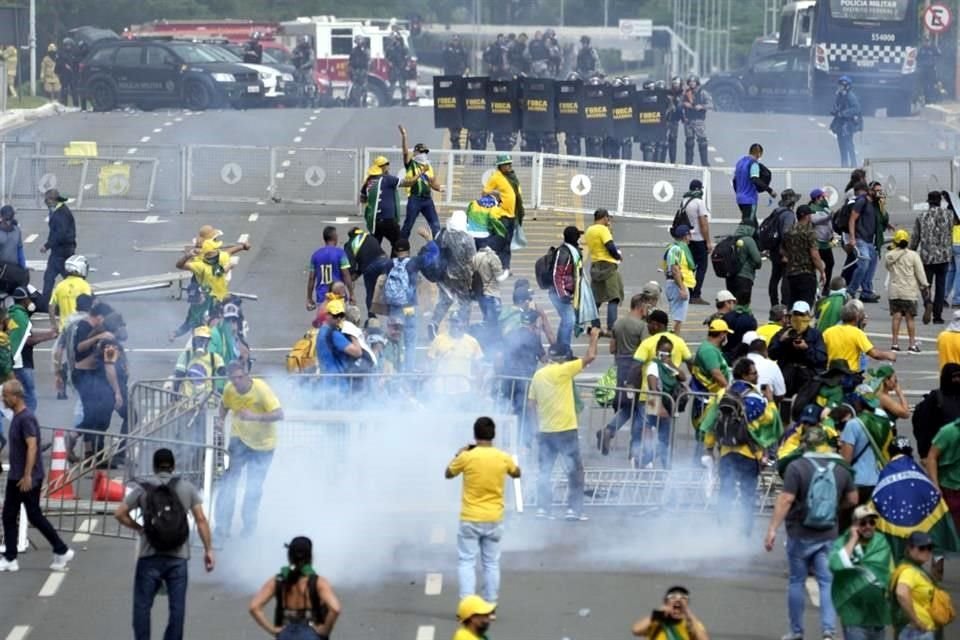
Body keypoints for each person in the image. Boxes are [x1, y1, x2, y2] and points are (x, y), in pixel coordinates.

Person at [765, 425, 858, 640]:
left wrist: (772, 529)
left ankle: (797, 631)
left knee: (797, 581)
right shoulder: (841, 468)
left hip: (799, 533)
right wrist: (835, 508)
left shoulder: (796, 467)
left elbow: (786, 499)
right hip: (828, 533)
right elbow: (853, 499)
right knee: (826, 581)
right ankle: (828, 631)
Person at [115, 448, 214, 640]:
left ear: (154, 466)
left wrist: (139, 528)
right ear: (173, 466)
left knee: (142, 606)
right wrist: (208, 550)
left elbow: (119, 513)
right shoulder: (186, 488)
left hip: (149, 557)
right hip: (178, 558)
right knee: (177, 609)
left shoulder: (143, 489)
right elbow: (201, 520)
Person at [445, 417, 521, 610]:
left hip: (470, 517)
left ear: (475, 435)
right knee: (491, 564)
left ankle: (468, 607)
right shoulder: (502, 457)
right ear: (493, 435)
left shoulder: (467, 457)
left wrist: (459, 453)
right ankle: (490, 605)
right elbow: (517, 473)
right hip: (494, 518)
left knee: (466, 562)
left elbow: (448, 473)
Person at [0, 379, 75, 573]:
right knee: (12, 515)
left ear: (15, 397)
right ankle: (13, 557)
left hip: (25, 477)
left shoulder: (26, 419)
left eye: (5, 395)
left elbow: (32, 446)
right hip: (18, 476)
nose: (3, 399)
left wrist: (27, 476)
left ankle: (60, 549)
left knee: (30, 515)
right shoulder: (18, 417)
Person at [528, 327, 600, 521]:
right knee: (575, 471)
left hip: (545, 431)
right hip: (565, 430)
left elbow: (531, 404)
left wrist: (535, 428)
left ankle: (543, 509)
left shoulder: (538, 375)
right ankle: (573, 510)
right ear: (562, 359)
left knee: (544, 472)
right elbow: (590, 356)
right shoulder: (563, 370)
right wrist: (594, 337)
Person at [214, 362, 284, 541]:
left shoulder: (261, 389)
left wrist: (255, 417)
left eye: (240, 377)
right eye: (233, 378)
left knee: (253, 488)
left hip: (263, 446)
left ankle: (249, 528)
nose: (237, 382)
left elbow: (279, 414)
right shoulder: (230, 389)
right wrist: (220, 420)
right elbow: (224, 404)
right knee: (228, 483)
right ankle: (222, 527)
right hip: (239, 440)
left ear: (247, 375)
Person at [248, 536, 340, 639]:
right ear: (310, 556)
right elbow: (335, 609)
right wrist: (324, 630)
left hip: (286, 633)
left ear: (289, 556)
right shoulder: (318, 582)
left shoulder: (278, 580)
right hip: (311, 633)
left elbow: (254, 607)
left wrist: (272, 630)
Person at [598, 292, 653, 455]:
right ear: (641, 306)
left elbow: (612, 348)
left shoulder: (618, 323)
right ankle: (634, 445)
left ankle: (610, 431)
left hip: (620, 366)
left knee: (628, 405)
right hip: (635, 370)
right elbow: (646, 347)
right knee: (639, 406)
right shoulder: (642, 326)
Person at [827, 504, 892, 640]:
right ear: (854, 525)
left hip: (877, 616)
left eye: (872, 522)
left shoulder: (880, 542)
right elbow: (835, 565)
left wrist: (853, 564)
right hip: (853, 616)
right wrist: (852, 540)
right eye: (863, 523)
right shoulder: (842, 542)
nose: (868, 526)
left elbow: (880, 570)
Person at [379, 229, 439, 373]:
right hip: (409, 307)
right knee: (410, 341)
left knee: (394, 340)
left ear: (395, 250)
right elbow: (434, 255)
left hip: (394, 308)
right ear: (408, 250)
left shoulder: (389, 264)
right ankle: (408, 370)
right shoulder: (413, 263)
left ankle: (395, 369)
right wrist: (429, 241)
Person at [891, 532, 952, 640]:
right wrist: (916, 621)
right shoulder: (909, 571)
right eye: (922, 548)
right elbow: (901, 593)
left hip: (920, 631)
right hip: (915, 632)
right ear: (910, 548)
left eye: (929, 548)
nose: (926, 551)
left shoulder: (917, 569)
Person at [640, 335, 686, 468]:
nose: (665, 354)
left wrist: (670, 364)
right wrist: (659, 408)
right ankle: (659, 465)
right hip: (656, 406)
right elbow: (653, 388)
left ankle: (650, 462)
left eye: (668, 352)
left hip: (667, 406)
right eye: (663, 351)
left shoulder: (669, 367)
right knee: (659, 440)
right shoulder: (653, 366)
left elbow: (682, 377)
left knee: (664, 440)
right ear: (657, 351)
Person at [911, 191, 954, 326]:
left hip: (927, 256)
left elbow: (915, 237)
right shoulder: (949, 215)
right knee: (941, 286)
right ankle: (938, 316)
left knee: (925, 284)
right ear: (940, 201)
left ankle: (927, 302)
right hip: (944, 256)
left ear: (928, 202)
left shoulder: (922, 216)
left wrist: (910, 251)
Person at [769, 301, 827, 396]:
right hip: (787, 377)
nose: (798, 318)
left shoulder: (815, 335)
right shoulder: (784, 333)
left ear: (808, 316)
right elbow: (772, 354)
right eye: (796, 314)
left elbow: (821, 359)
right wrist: (782, 341)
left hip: (806, 379)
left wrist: (807, 348)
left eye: (801, 315)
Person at [884, 229, 929, 352]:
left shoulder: (889, 255)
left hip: (895, 291)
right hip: (909, 291)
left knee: (896, 317)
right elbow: (920, 273)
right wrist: (925, 285)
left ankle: (894, 344)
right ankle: (912, 344)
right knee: (910, 318)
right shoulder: (913, 255)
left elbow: (888, 267)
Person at [175, 237, 250, 309]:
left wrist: (242, 247)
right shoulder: (218, 259)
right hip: (213, 299)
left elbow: (179, 265)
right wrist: (229, 265)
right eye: (216, 249)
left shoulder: (200, 264)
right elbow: (220, 270)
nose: (218, 250)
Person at [823, 302, 897, 374]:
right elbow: (874, 354)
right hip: (849, 373)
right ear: (856, 318)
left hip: (830, 372)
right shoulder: (857, 333)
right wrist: (888, 355)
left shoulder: (828, 331)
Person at [583, 208, 624, 333]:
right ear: (605, 217)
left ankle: (596, 326)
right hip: (608, 266)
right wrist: (618, 256)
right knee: (614, 297)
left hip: (595, 265)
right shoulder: (603, 229)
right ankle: (611, 327)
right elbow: (609, 245)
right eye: (608, 218)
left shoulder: (589, 230)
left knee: (596, 298)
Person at [399, 127, 444, 240]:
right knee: (408, 225)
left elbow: (433, 183)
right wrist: (404, 136)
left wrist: (440, 188)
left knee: (435, 225)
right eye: (421, 152)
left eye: (425, 152)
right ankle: (401, 247)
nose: (423, 154)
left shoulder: (429, 166)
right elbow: (405, 153)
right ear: (415, 152)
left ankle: (439, 248)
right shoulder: (411, 164)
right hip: (415, 198)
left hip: (427, 200)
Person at [482, 155, 524, 275]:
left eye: (510, 163)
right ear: (500, 166)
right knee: (500, 242)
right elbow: (484, 193)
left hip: (512, 216)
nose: (509, 166)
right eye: (507, 164)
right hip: (502, 216)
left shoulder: (513, 177)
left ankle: (506, 268)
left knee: (507, 244)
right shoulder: (496, 177)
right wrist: (496, 194)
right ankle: (495, 267)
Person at [549, 226, 585, 356]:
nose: (580, 239)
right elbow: (556, 275)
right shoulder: (564, 253)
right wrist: (562, 294)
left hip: (566, 292)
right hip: (558, 293)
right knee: (569, 319)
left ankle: (561, 347)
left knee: (566, 319)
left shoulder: (572, 251)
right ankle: (565, 350)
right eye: (578, 236)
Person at [782, 204, 826, 308]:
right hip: (806, 273)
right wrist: (822, 271)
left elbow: (783, 250)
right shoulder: (809, 232)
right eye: (810, 215)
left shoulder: (789, 231)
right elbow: (814, 255)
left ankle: (791, 323)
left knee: (793, 303)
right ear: (806, 216)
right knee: (806, 305)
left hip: (791, 273)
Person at [40, 189, 76, 308]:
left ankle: (45, 303)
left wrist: (47, 245)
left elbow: (59, 234)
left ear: (52, 200)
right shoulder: (59, 210)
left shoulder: (60, 214)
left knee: (51, 277)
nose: (46, 203)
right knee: (61, 276)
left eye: (47, 201)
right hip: (63, 249)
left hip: (62, 251)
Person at [631, 585, 709, 639]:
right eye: (673, 597)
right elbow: (636, 630)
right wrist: (658, 613)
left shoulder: (691, 624)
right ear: (666, 602)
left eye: (683, 598)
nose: (678, 600)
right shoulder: (656, 621)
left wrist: (689, 615)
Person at [847, 181, 882, 303]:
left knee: (872, 262)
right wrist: (852, 238)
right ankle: (850, 291)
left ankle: (866, 292)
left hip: (869, 240)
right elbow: (852, 219)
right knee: (864, 263)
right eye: (876, 190)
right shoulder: (862, 201)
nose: (879, 193)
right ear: (870, 190)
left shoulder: (875, 203)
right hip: (860, 238)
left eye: (880, 190)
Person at [766, 189, 800, 307]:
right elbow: (786, 233)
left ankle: (774, 303)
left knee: (774, 277)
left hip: (774, 250)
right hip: (783, 251)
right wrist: (786, 253)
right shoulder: (789, 215)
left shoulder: (776, 211)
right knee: (786, 279)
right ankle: (785, 304)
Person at [681, 180, 712, 305]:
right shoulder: (699, 202)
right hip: (699, 239)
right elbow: (703, 224)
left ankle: (688, 291)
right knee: (702, 267)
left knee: (689, 266)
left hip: (687, 239)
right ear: (699, 189)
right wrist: (708, 242)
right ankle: (696, 294)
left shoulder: (684, 201)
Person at [306, 227, 353, 311]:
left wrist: (309, 298)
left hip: (322, 297)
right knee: (339, 321)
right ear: (335, 237)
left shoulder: (315, 255)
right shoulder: (340, 253)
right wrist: (351, 294)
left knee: (324, 322)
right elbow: (346, 274)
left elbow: (311, 278)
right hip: (339, 296)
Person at [927, 416, 960, 530]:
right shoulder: (949, 431)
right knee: (952, 530)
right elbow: (931, 457)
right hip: (950, 489)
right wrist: (935, 485)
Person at [732, 143, 776, 226]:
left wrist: (738, 193)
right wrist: (770, 190)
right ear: (759, 153)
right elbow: (755, 179)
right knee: (750, 226)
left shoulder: (740, 162)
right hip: (749, 199)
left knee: (751, 223)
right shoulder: (753, 163)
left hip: (740, 198)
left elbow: (734, 180)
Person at [664, 224, 696, 334]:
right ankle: (674, 341)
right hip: (677, 284)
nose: (691, 237)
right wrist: (682, 288)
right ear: (685, 236)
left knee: (676, 316)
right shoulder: (676, 249)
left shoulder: (673, 248)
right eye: (690, 234)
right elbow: (675, 269)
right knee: (677, 319)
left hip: (675, 284)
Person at [49, 254, 91, 331]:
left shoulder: (60, 286)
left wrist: (54, 325)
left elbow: (51, 307)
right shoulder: (85, 286)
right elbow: (89, 307)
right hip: (79, 329)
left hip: (64, 330)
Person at [743, 331, 786, 401]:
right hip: (763, 407)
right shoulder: (771, 365)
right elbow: (780, 394)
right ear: (765, 351)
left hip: (738, 406)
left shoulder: (739, 363)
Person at [830, 76, 862, 168]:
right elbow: (836, 106)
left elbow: (856, 108)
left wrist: (843, 113)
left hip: (848, 124)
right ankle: (844, 164)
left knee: (848, 144)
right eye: (839, 85)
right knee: (841, 144)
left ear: (847, 86)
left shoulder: (850, 96)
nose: (839, 87)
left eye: (841, 86)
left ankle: (854, 164)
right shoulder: (840, 95)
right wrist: (835, 111)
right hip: (840, 124)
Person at [728, 220, 762, 306]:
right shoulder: (748, 240)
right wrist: (757, 266)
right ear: (750, 229)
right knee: (743, 304)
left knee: (732, 303)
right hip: (745, 276)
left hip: (730, 276)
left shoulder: (731, 239)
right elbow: (757, 259)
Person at [809, 189, 836, 295]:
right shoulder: (812, 209)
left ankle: (826, 286)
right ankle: (814, 288)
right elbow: (815, 220)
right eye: (822, 197)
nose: (824, 199)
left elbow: (830, 221)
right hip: (817, 242)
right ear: (817, 198)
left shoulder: (825, 208)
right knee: (814, 265)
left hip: (826, 242)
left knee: (830, 263)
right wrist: (829, 216)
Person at [682, 75, 712, 166]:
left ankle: (704, 162)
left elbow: (711, 105)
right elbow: (680, 103)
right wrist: (684, 104)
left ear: (697, 82)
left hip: (699, 120)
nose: (692, 83)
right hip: (688, 120)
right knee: (689, 142)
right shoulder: (686, 93)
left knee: (702, 142)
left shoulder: (702, 93)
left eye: (694, 81)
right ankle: (688, 163)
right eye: (690, 82)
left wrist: (702, 106)